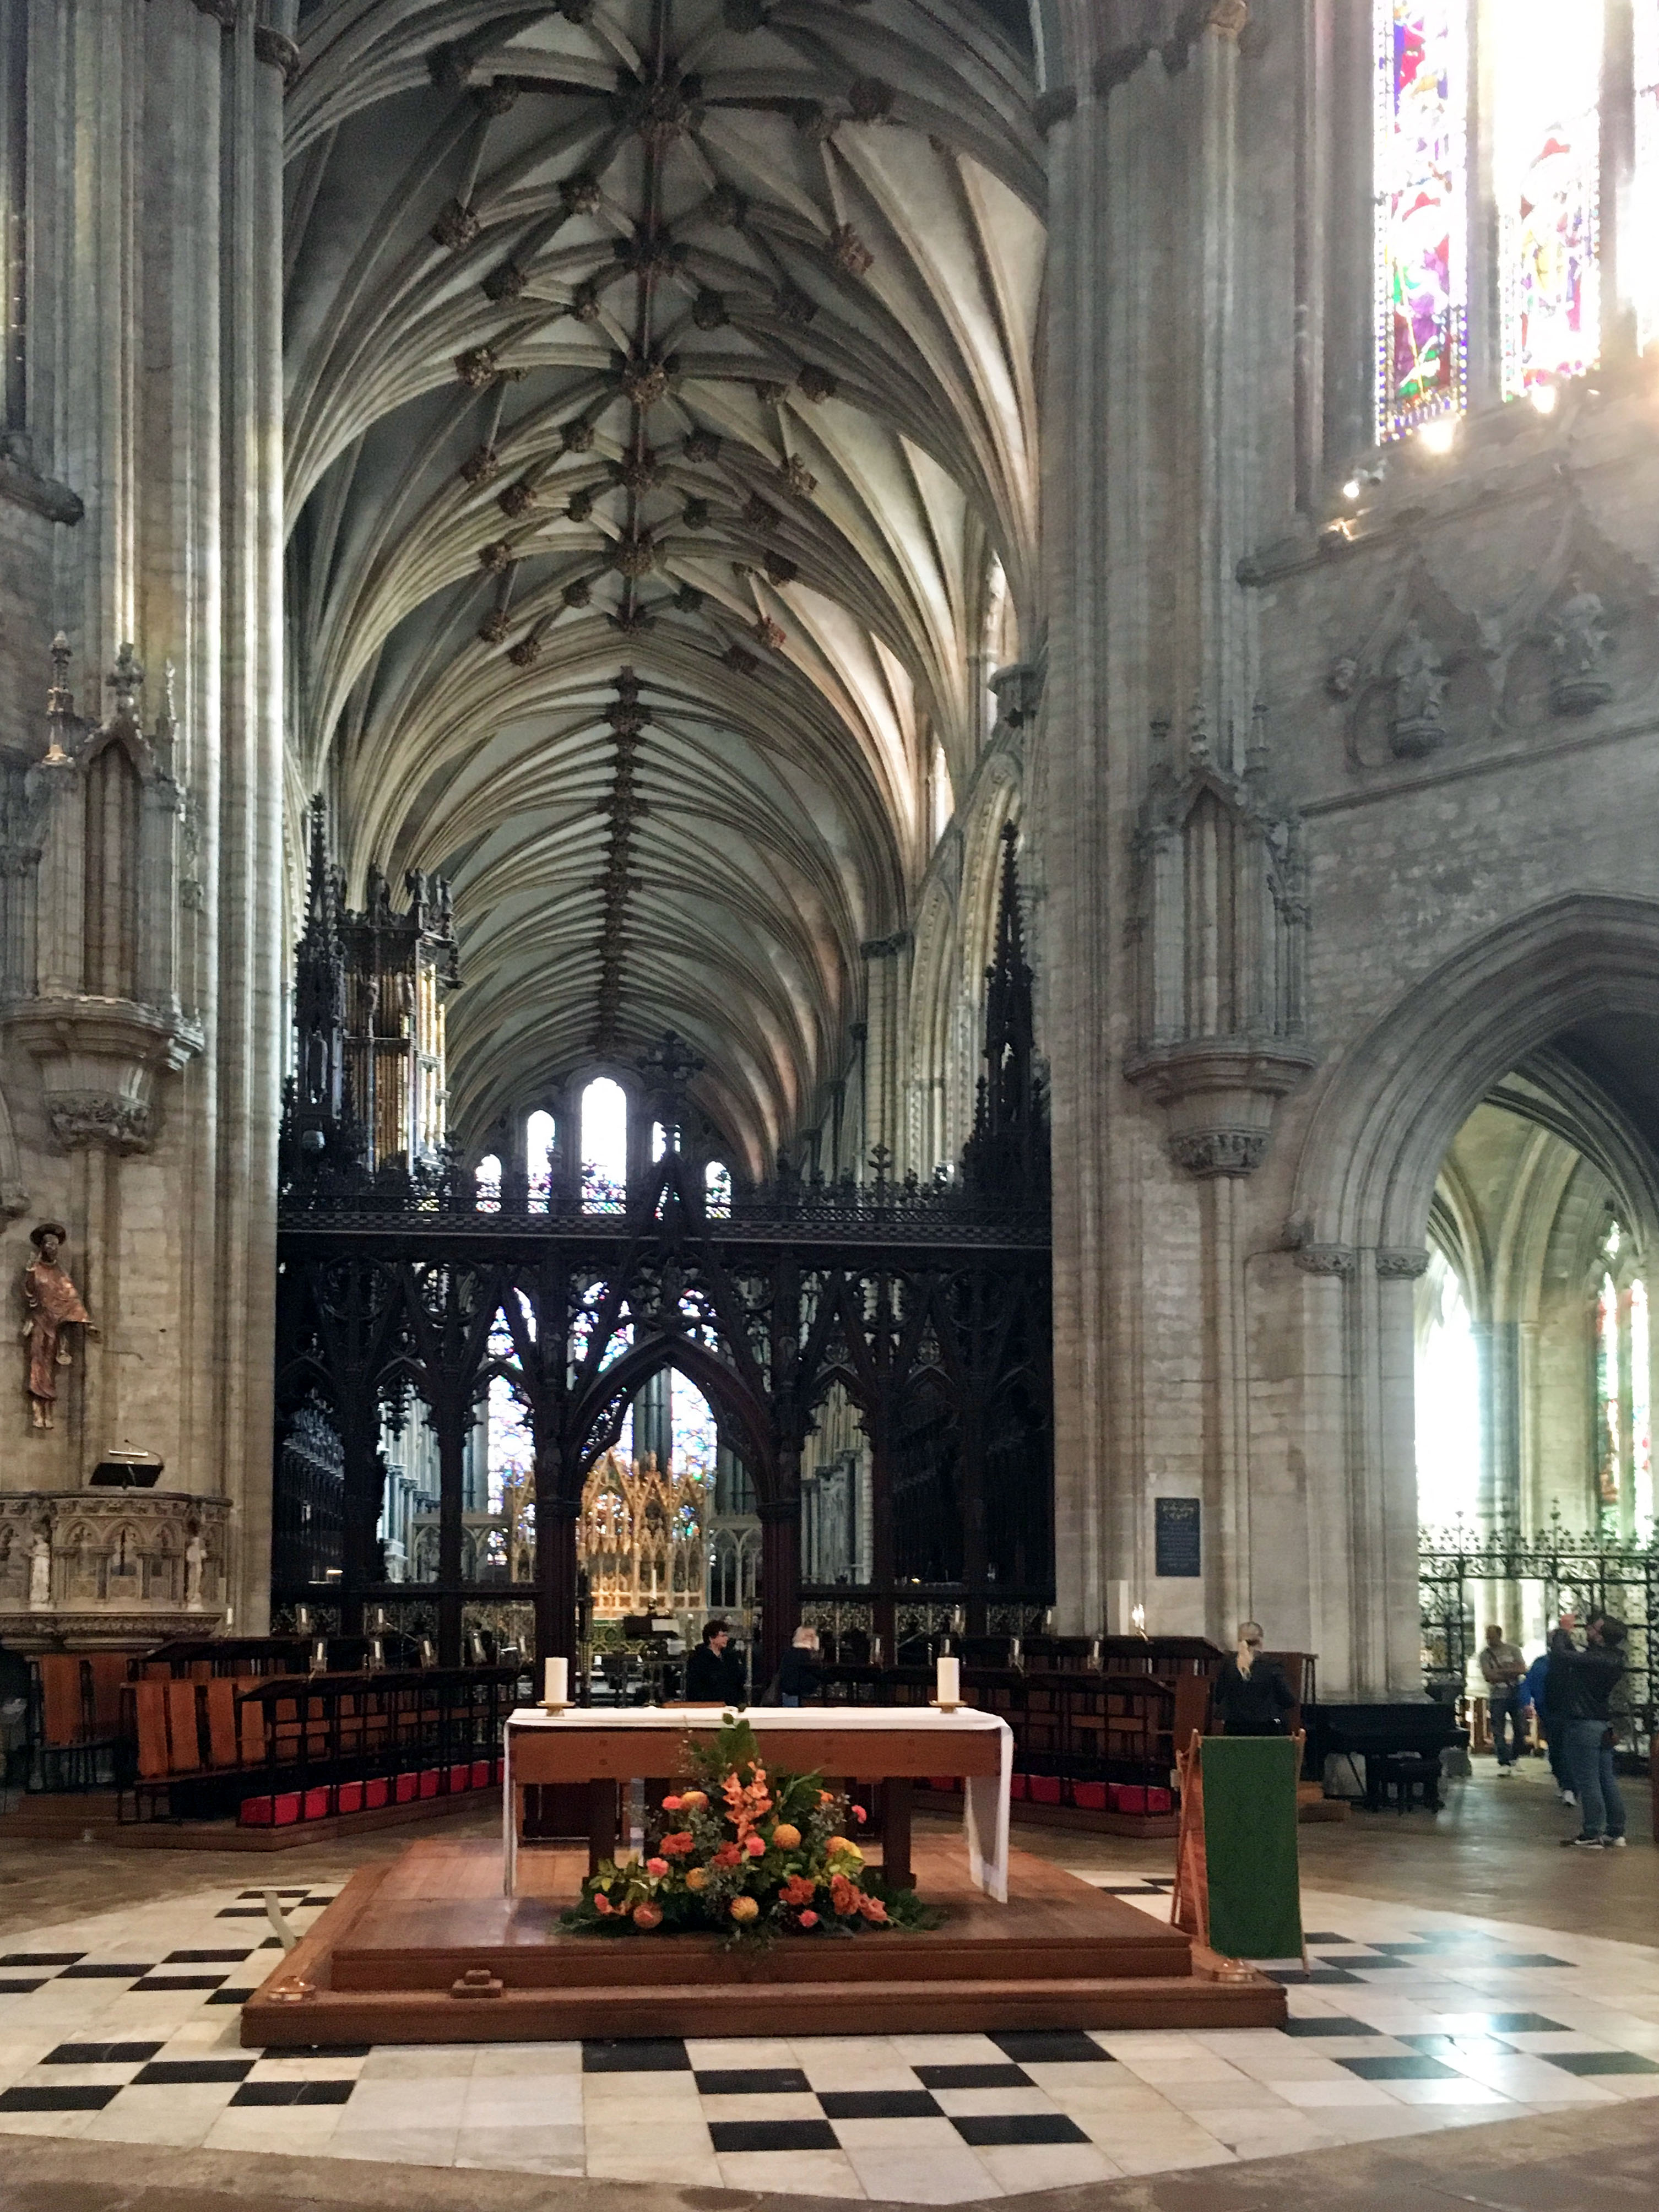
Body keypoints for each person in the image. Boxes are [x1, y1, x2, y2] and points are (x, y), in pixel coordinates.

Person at [1552, 1614, 1628, 1848]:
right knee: (1606, 1778)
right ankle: (1615, 1831)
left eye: (1594, 1628)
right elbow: (1575, 1656)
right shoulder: (1614, 1658)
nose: (1588, 1629)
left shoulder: (1596, 1660)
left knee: (1588, 1780)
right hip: (1601, 1724)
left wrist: (1563, 1631)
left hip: (1583, 1724)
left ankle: (1593, 1832)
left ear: (1602, 1637)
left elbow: (1562, 1656)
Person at [1211, 1621, 1296, 1736]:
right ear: (1260, 1641)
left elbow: (1218, 1697)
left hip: (1234, 1729)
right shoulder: (1271, 1666)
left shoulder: (1228, 1666)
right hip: (1267, 1730)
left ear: (1239, 1641)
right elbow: (1288, 1700)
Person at [1520, 1642, 1573, 1804]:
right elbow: (1528, 1684)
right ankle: (1565, 1783)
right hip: (1550, 1712)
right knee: (1557, 1748)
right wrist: (1526, 1702)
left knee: (1565, 1749)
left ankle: (1569, 1786)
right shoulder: (1541, 1663)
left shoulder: (1573, 1664)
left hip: (1569, 1713)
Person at [1478, 1622, 1527, 1773]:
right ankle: (1503, 1761)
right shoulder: (1485, 1655)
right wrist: (1510, 1671)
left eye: (1491, 1637)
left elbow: (1522, 1669)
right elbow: (1489, 1676)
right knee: (1498, 1730)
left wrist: (1501, 1672)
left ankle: (1514, 1756)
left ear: (1499, 1636)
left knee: (1520, 1727)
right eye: (1487, 1637)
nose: (1489, 1640)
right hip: (1497, 1696)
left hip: (1514, 1694)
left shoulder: (1513, 1649)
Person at [685, 1618, 746, 1705]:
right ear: (711, 1638)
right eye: (723, 1636)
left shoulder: (730, 1657)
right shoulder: (699, 1659)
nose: (727, 1639)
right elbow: (694, 1686)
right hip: (708, 1704)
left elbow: (738, 1680)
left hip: (730, 1703)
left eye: (726, 1636)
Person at [778, 1625, 823, 1707]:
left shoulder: (791, 1651)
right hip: (798, 1692)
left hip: (789, 1691)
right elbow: (814, 1671)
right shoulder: (804, 1653)